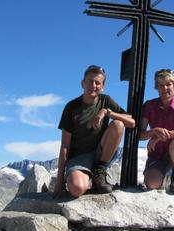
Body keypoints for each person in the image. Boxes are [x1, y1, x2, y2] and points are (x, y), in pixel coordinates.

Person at [53, 65, 135, 197]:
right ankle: (86, 180)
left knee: (118, 124)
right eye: (90, 81)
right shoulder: (71, 107)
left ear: (103, 86)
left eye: (97, 82)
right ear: (82, 83)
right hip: (79, 157)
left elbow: (131, 122)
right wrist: (59, 180)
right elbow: (65, 145)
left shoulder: (106, 101)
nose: (93, 85)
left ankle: (99, 172)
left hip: (100, 153)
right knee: (77, 189)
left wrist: (107, 112)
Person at [139, 68, 174, 194]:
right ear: (156, 87)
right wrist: (154, 131)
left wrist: (160, 136)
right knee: (152, 183)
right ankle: (161, 179)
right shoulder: (149, 106)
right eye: (160, 85)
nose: (164, 88)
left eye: (168, 84)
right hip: (157, 155)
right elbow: (140, 135)